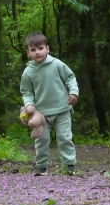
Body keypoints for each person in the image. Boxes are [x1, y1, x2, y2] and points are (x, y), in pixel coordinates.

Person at [20, 32, 79, 175]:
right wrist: (28, 104)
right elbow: (26, 91)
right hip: (41, 114)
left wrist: (73, 92)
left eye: (40, 48)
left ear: (47, 48)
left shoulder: (57, 64)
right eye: (33, 50)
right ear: (28, 53)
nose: (37, 52)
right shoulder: (28, 72)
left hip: (62, 109)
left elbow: (70, 77)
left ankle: (69, 167)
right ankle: (41, 168)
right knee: (41, 140)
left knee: (65, 138)